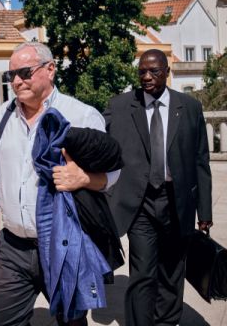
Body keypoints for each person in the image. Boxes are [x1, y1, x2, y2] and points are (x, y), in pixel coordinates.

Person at [0, 42, 120, 326]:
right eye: (11, 75)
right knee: (4, 319)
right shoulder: (3, 116)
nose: (17, 81)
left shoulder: (81, 114)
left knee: (70, 320)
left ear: (50, 69)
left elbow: (114, 173)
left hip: (62, 245)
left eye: (25, 72)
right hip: (13, 246)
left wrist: (84, 179)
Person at [103, 49, 213, 326]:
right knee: (142, 273)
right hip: (140, 203)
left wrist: (205, 211)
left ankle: (166, 321)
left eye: (154, 71)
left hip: (177, 201)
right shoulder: (120, 106)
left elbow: (200, 161)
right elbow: (103, 149)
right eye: (142, 71)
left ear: (167, 72)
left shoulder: (189, 107)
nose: (147, 76)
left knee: (172, 271)